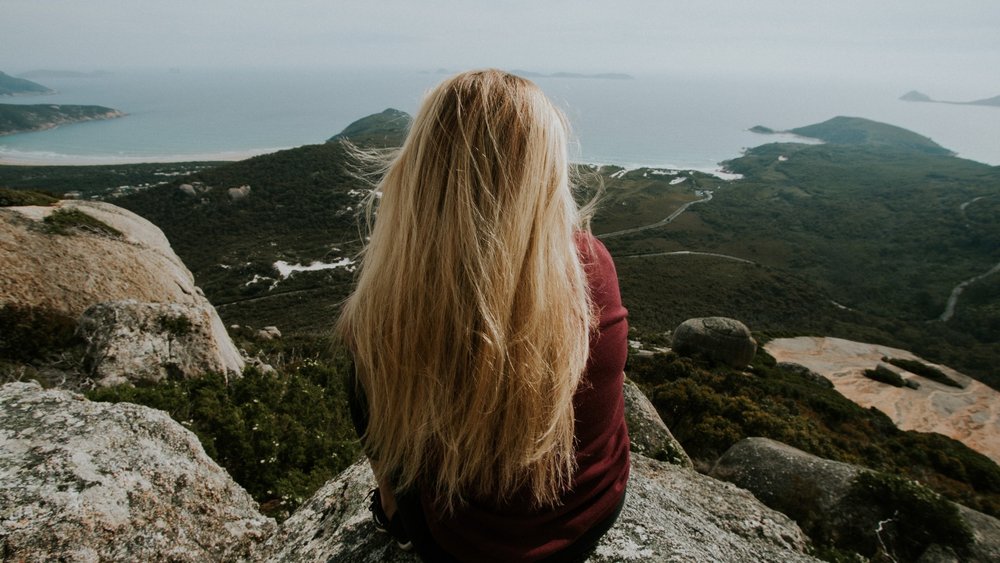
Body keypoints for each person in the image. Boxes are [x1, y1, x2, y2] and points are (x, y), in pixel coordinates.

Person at [335, 69, 629, 562]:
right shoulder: (589, 263)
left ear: (421, 165)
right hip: (588, 522)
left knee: (364, 359)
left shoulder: (398, 295)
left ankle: (393, 513)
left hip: (455, 546)